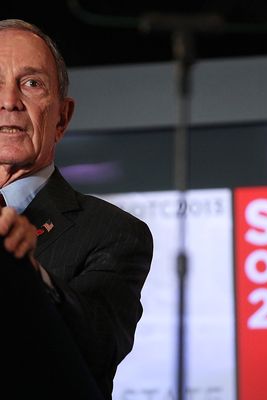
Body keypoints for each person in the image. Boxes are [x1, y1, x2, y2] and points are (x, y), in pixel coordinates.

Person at [0, 19, 153, 400]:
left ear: (62, 118)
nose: (9, 101)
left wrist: (25, 269)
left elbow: (98, 346)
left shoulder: (114, 233)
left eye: (31, 83)